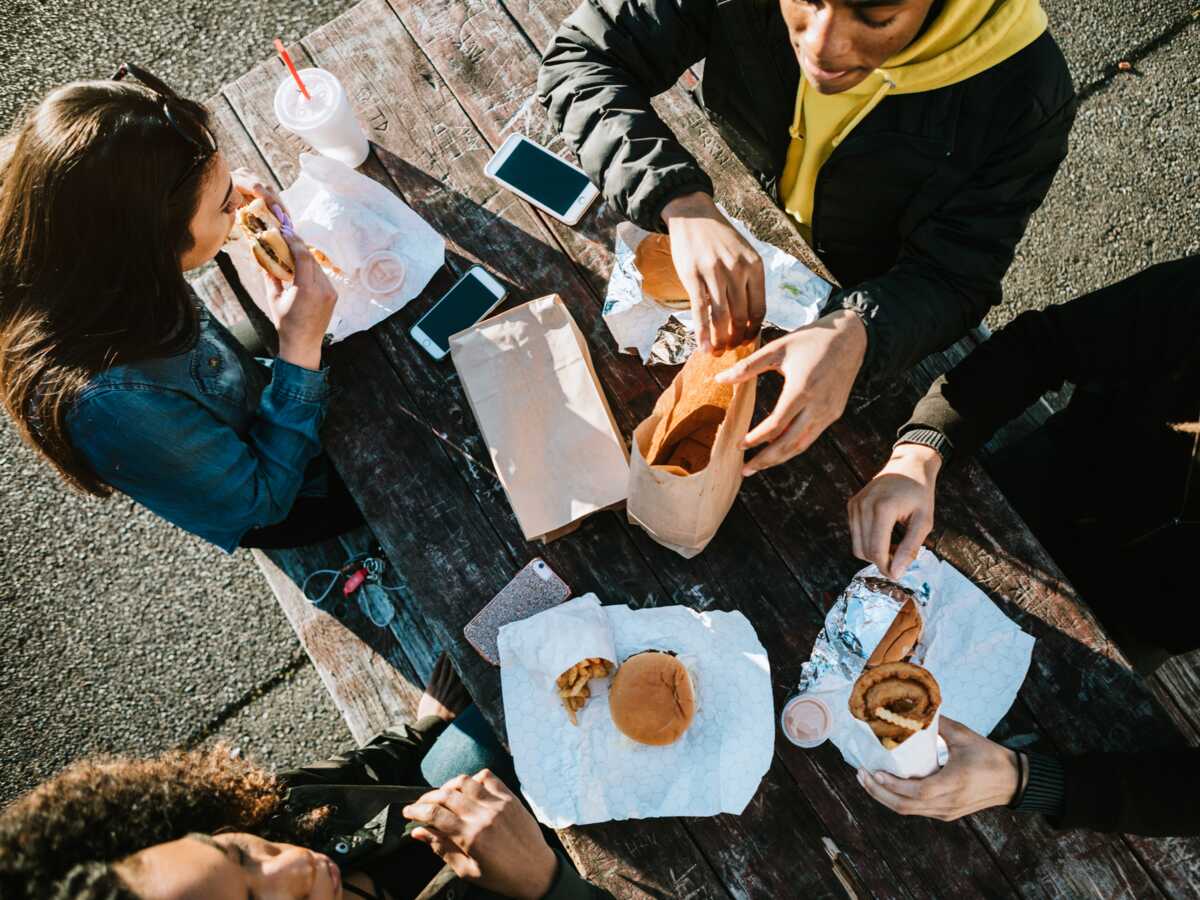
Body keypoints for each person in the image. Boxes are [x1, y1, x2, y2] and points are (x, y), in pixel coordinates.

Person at [539, 0, 1075, 473]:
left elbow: (955, 275)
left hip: (867, 285)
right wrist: (679, 201)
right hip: (737, 189)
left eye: (876, 15)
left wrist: (858, 331)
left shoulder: (1024, 93)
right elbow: (580, 59)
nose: (822, 45)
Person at [846, 256, 1200, 835]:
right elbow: (1047, 344)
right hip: (1009, 502)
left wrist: (1024, 781)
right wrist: (921, 450)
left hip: (1117, 642)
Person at [0, 65, 363, 552]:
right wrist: (298, 348)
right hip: (294, 496)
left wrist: (227, 205)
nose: (238, 197)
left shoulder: (66, 233)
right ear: (150, 241)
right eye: (221, 204)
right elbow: (265, 501)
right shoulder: (112, 406)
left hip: (232, 382)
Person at [0, 656, 610, 899]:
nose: (293, 863)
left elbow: (358, 775)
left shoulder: (267, 813)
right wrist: (548, 885)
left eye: (237, 853)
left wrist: (421, 729)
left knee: (469, 740)